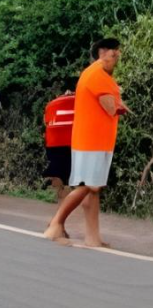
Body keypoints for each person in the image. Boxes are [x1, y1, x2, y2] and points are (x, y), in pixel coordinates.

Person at [45, 39, 128, 247]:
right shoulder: (97, 75)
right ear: (102, 52)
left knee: (93, 188)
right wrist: (120, 105)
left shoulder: (96, 75)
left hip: (97, 140)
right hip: (92, 141)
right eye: (113, 54)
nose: (116, 58)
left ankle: (93, 237)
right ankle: (55, 224)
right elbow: (111, 108)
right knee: (86, 186)